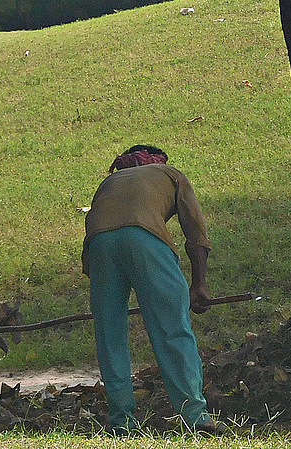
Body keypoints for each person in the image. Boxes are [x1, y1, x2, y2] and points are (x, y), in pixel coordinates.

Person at [82, 144, 222, 435]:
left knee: (110, 334)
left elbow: (95, 226)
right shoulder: (170, 174)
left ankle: (121, 423)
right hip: (145, 239)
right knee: (171, 327)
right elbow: (196, 236)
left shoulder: (109, 182)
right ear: (157, 160)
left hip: (98, 244)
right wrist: (199, 286)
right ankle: (195, 415)